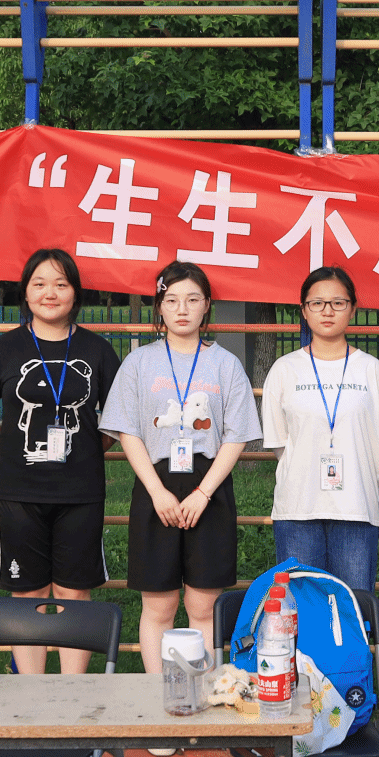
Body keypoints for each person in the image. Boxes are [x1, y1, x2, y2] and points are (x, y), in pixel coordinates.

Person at [100, 260, 261, 679]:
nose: (182, 309)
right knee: (159, 605)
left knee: (203, 606)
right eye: (171, 300)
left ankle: (202, 693)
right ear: (159, 306)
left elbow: (236, 435)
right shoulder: (138, 363)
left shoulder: (225, 364)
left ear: (207, 305)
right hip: (156, 487)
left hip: (210, 489)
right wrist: (157, 492)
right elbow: (128, 432)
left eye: (192, 299)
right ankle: (159, 696)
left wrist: (204, 493)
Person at [0, 248, 123, 673]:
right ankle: (30, 692)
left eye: (60, 284)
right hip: (19, 492)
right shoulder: (4, 349)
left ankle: (74, 692)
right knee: (28, 592)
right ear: (26, 292)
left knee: (75, 591)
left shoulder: (97, 350)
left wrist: (86, 449)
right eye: (39, 284)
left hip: (81, 492)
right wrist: (9, 450)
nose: (49, 293)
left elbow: (118, 417)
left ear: (75, 293)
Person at [263, 267, 379, 593]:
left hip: (356, 507)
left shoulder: (371, 369)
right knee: (300, 607)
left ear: (353, 309)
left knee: (353, 606)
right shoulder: (284, 369)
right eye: (317, 303)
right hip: (298, 509)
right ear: (304, 310)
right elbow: (280, 445)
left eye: (338, 303)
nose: (327, 311)